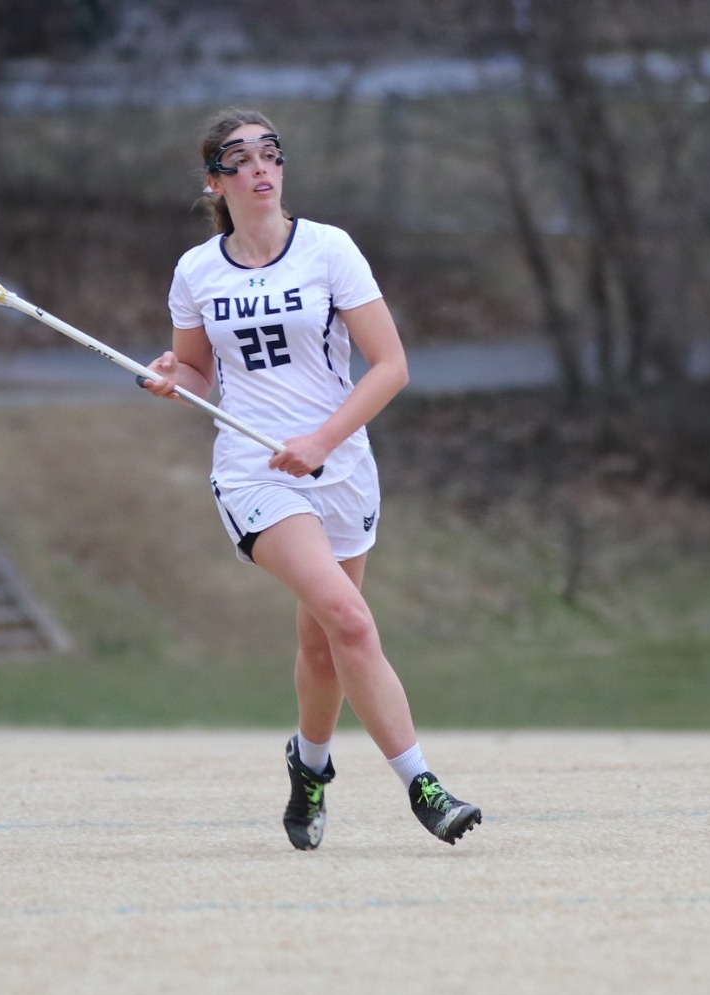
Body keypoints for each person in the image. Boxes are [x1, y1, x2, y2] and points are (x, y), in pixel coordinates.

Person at [144, 108, 481, 848]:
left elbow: (390, 366)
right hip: (254, 476)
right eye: (240, 159)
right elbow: (199, 370)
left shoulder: (329, 250)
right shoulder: (196, 271)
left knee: (326, 643)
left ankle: (309, 765)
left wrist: (324, 439)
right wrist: (174, 375)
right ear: (215, 181)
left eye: (272, 153)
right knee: (351, 618)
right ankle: (423, 785)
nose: (261, 168)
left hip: (343, 470)